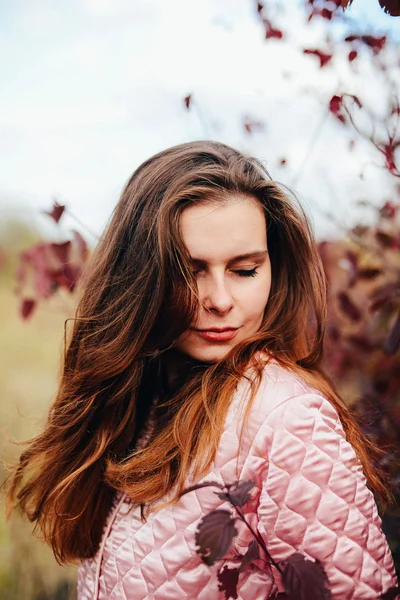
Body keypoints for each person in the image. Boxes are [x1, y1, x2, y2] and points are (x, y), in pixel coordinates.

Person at [6, 141, 397, 599]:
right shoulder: (146, 395)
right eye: (190, 270)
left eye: (245, 270)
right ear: (140, 278)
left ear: (274, 267)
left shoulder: (288, 421)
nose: (220, 300)